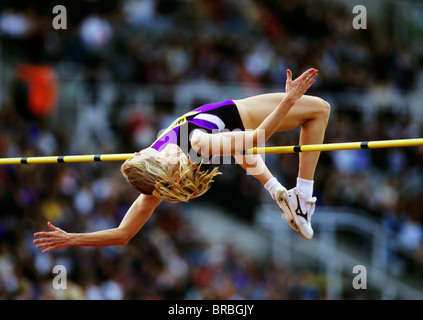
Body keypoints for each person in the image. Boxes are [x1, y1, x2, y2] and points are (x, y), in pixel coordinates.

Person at [33, 68, 330, 253]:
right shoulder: (195, 142)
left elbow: (123, 234)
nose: (142, 150)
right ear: (161, 164)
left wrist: (73, 238)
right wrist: (288, 100)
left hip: (226, 138)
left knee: (239, 151)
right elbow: (254, 139)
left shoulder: (151, 183)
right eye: (145, 154)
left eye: (141, 153)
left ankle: (280, 193)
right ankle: (302, 197)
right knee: (320, 110)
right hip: (241, 118)